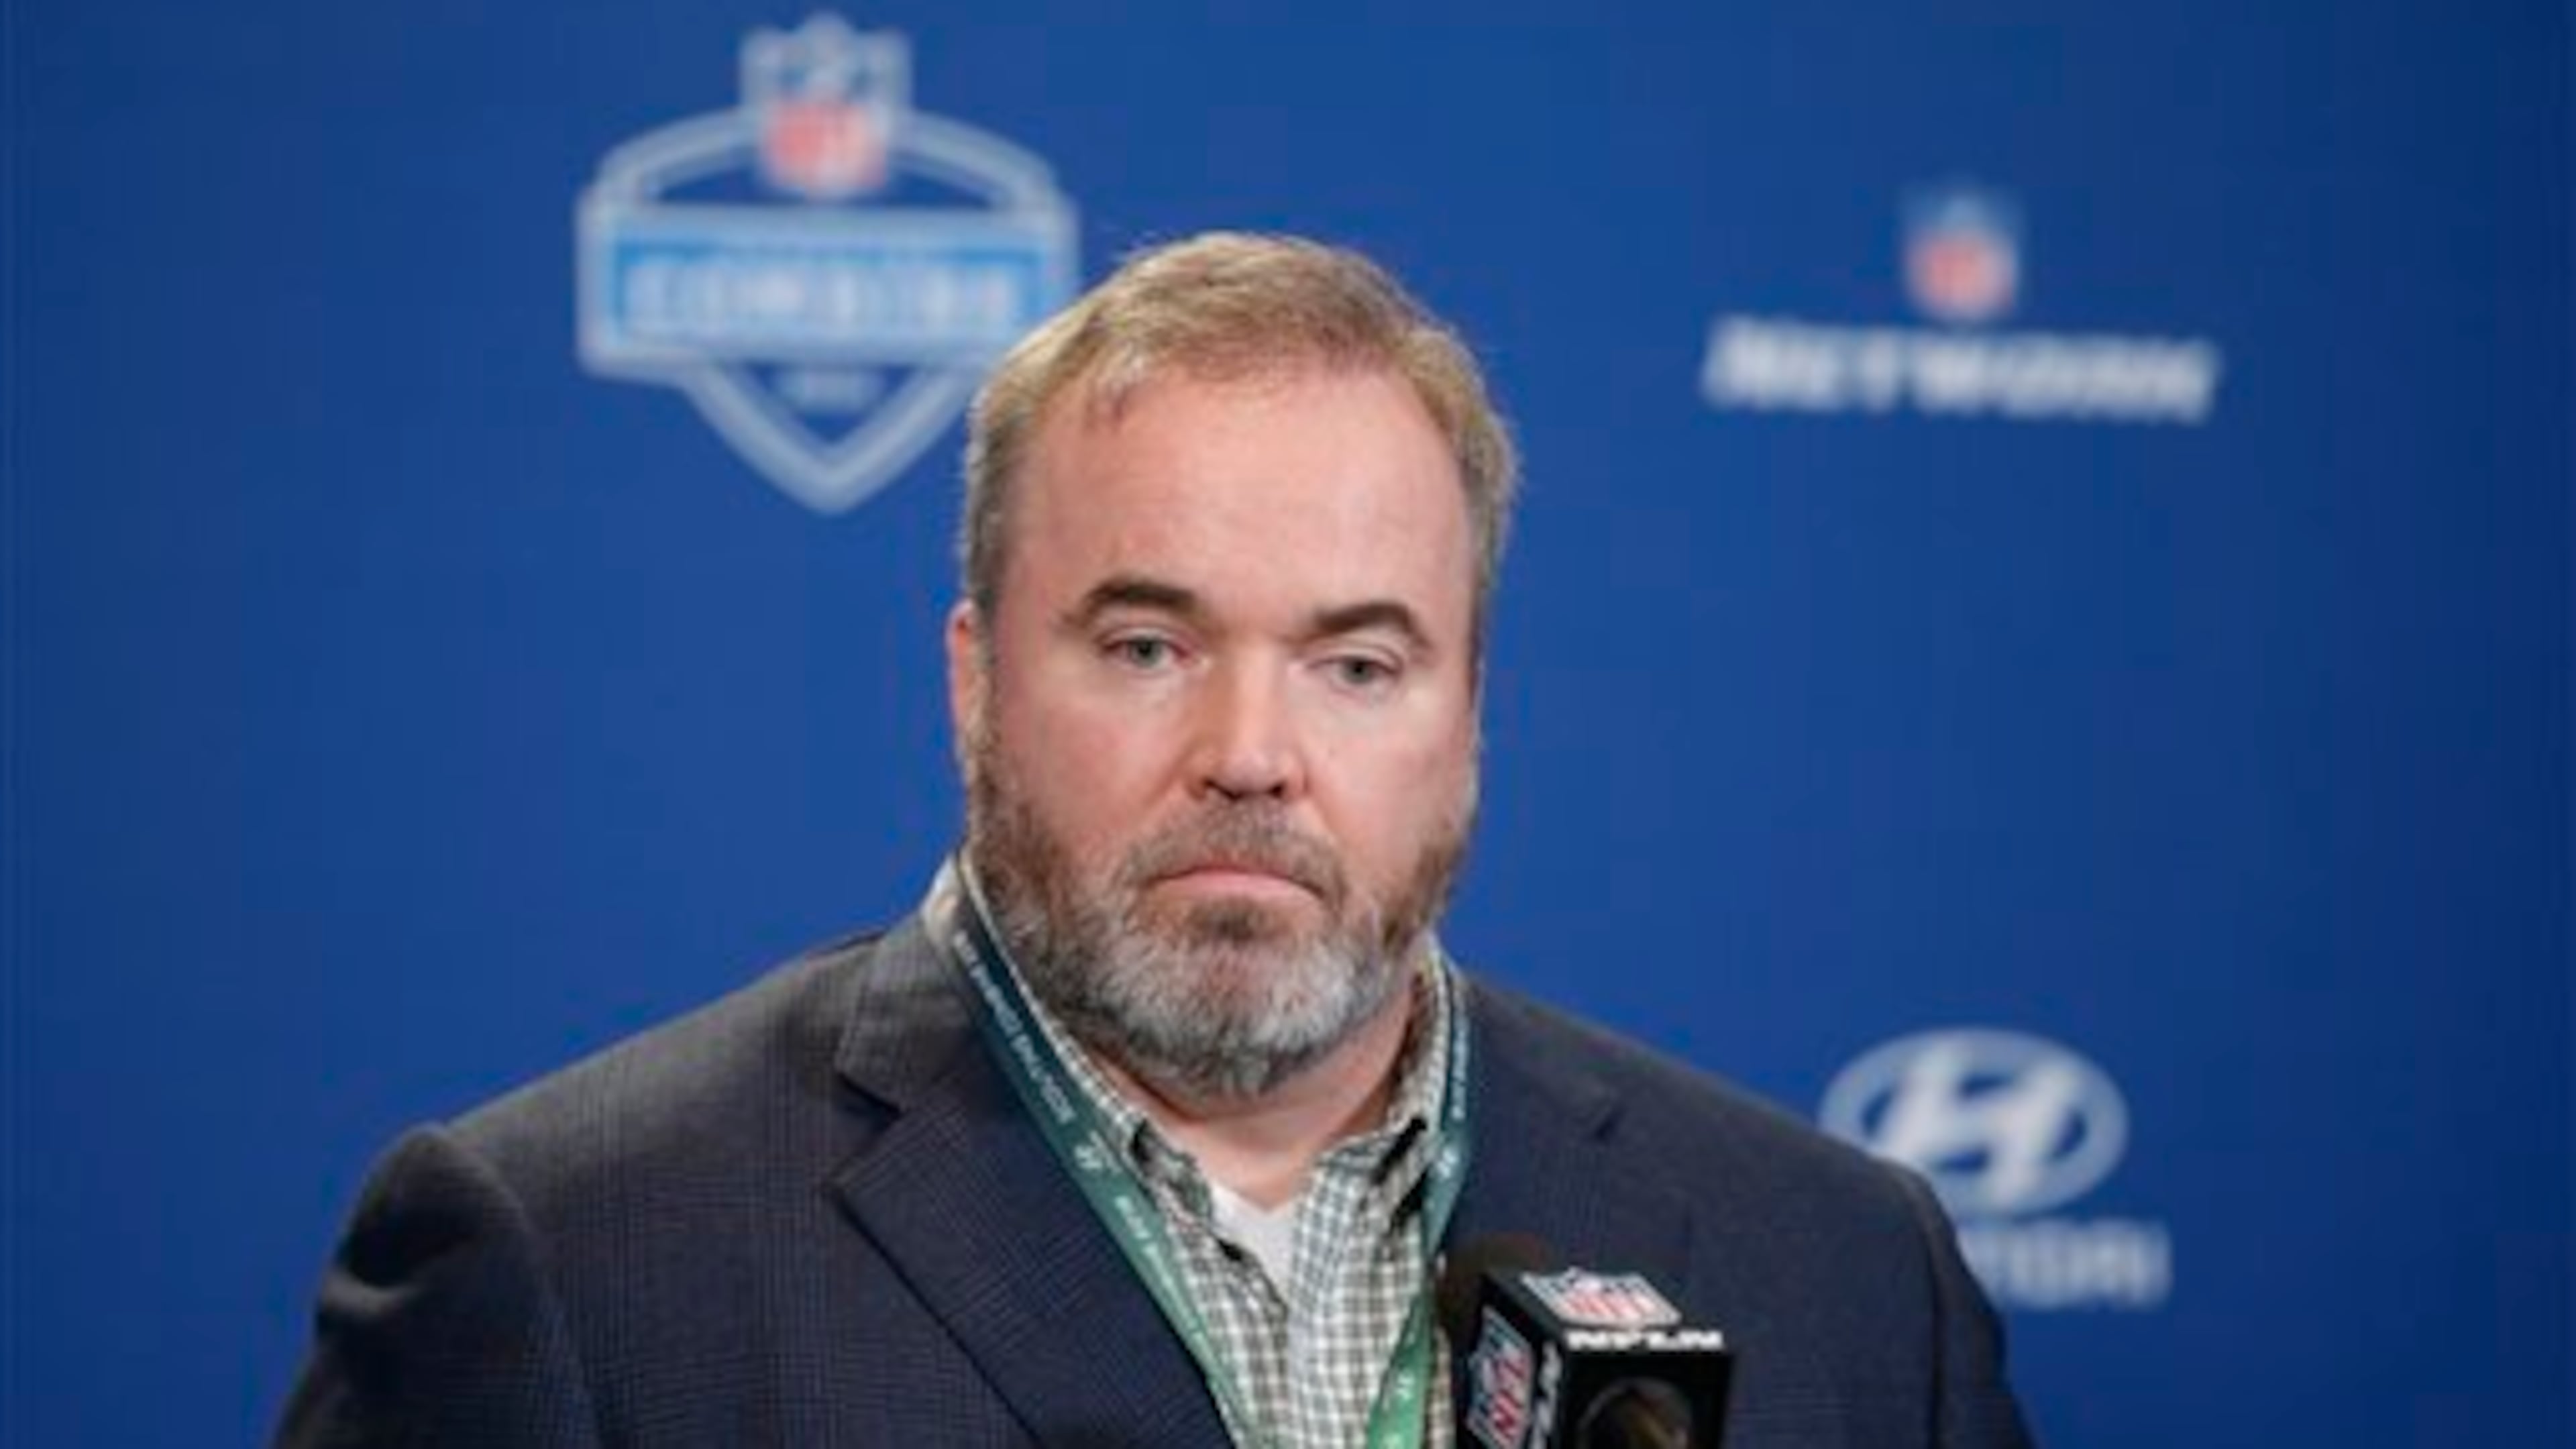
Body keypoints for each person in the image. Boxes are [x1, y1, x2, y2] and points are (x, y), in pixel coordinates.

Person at [276, 233, 2033, 1448]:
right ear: (975, 683)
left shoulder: (1848, 1280)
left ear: (1471, 714)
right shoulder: (577, 1266)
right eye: (1147, 649)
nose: (1251, 756)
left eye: (1358, 662)